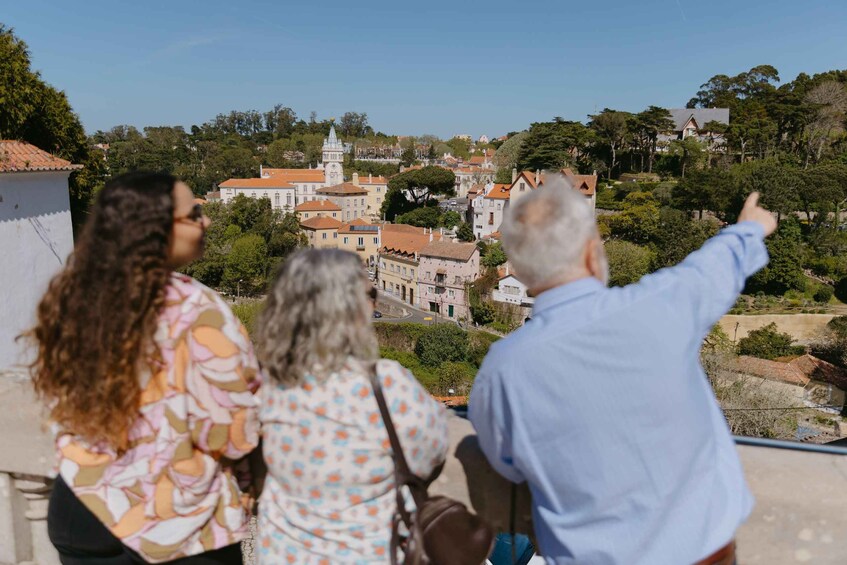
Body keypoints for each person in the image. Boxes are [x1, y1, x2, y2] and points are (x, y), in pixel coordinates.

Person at [469, 176, 776, 565]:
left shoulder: (501, 369)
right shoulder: (660, 306)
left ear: (522, 271)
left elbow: (507, 464)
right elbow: (714, 266)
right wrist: (750, 226)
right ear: (592, 252)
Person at [26, 172, 261, 564]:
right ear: (156, 229)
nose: (207, 221)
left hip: (83, 506)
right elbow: (231, 431)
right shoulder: (196, 307)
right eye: (196, 213)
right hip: (175, 521)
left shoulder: (76, 299)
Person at [255, 249, 448, 563]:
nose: (374, 303)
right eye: (370, 294)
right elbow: (431, 451)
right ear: (348, 307)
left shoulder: (273, 382)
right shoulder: (386, 385)